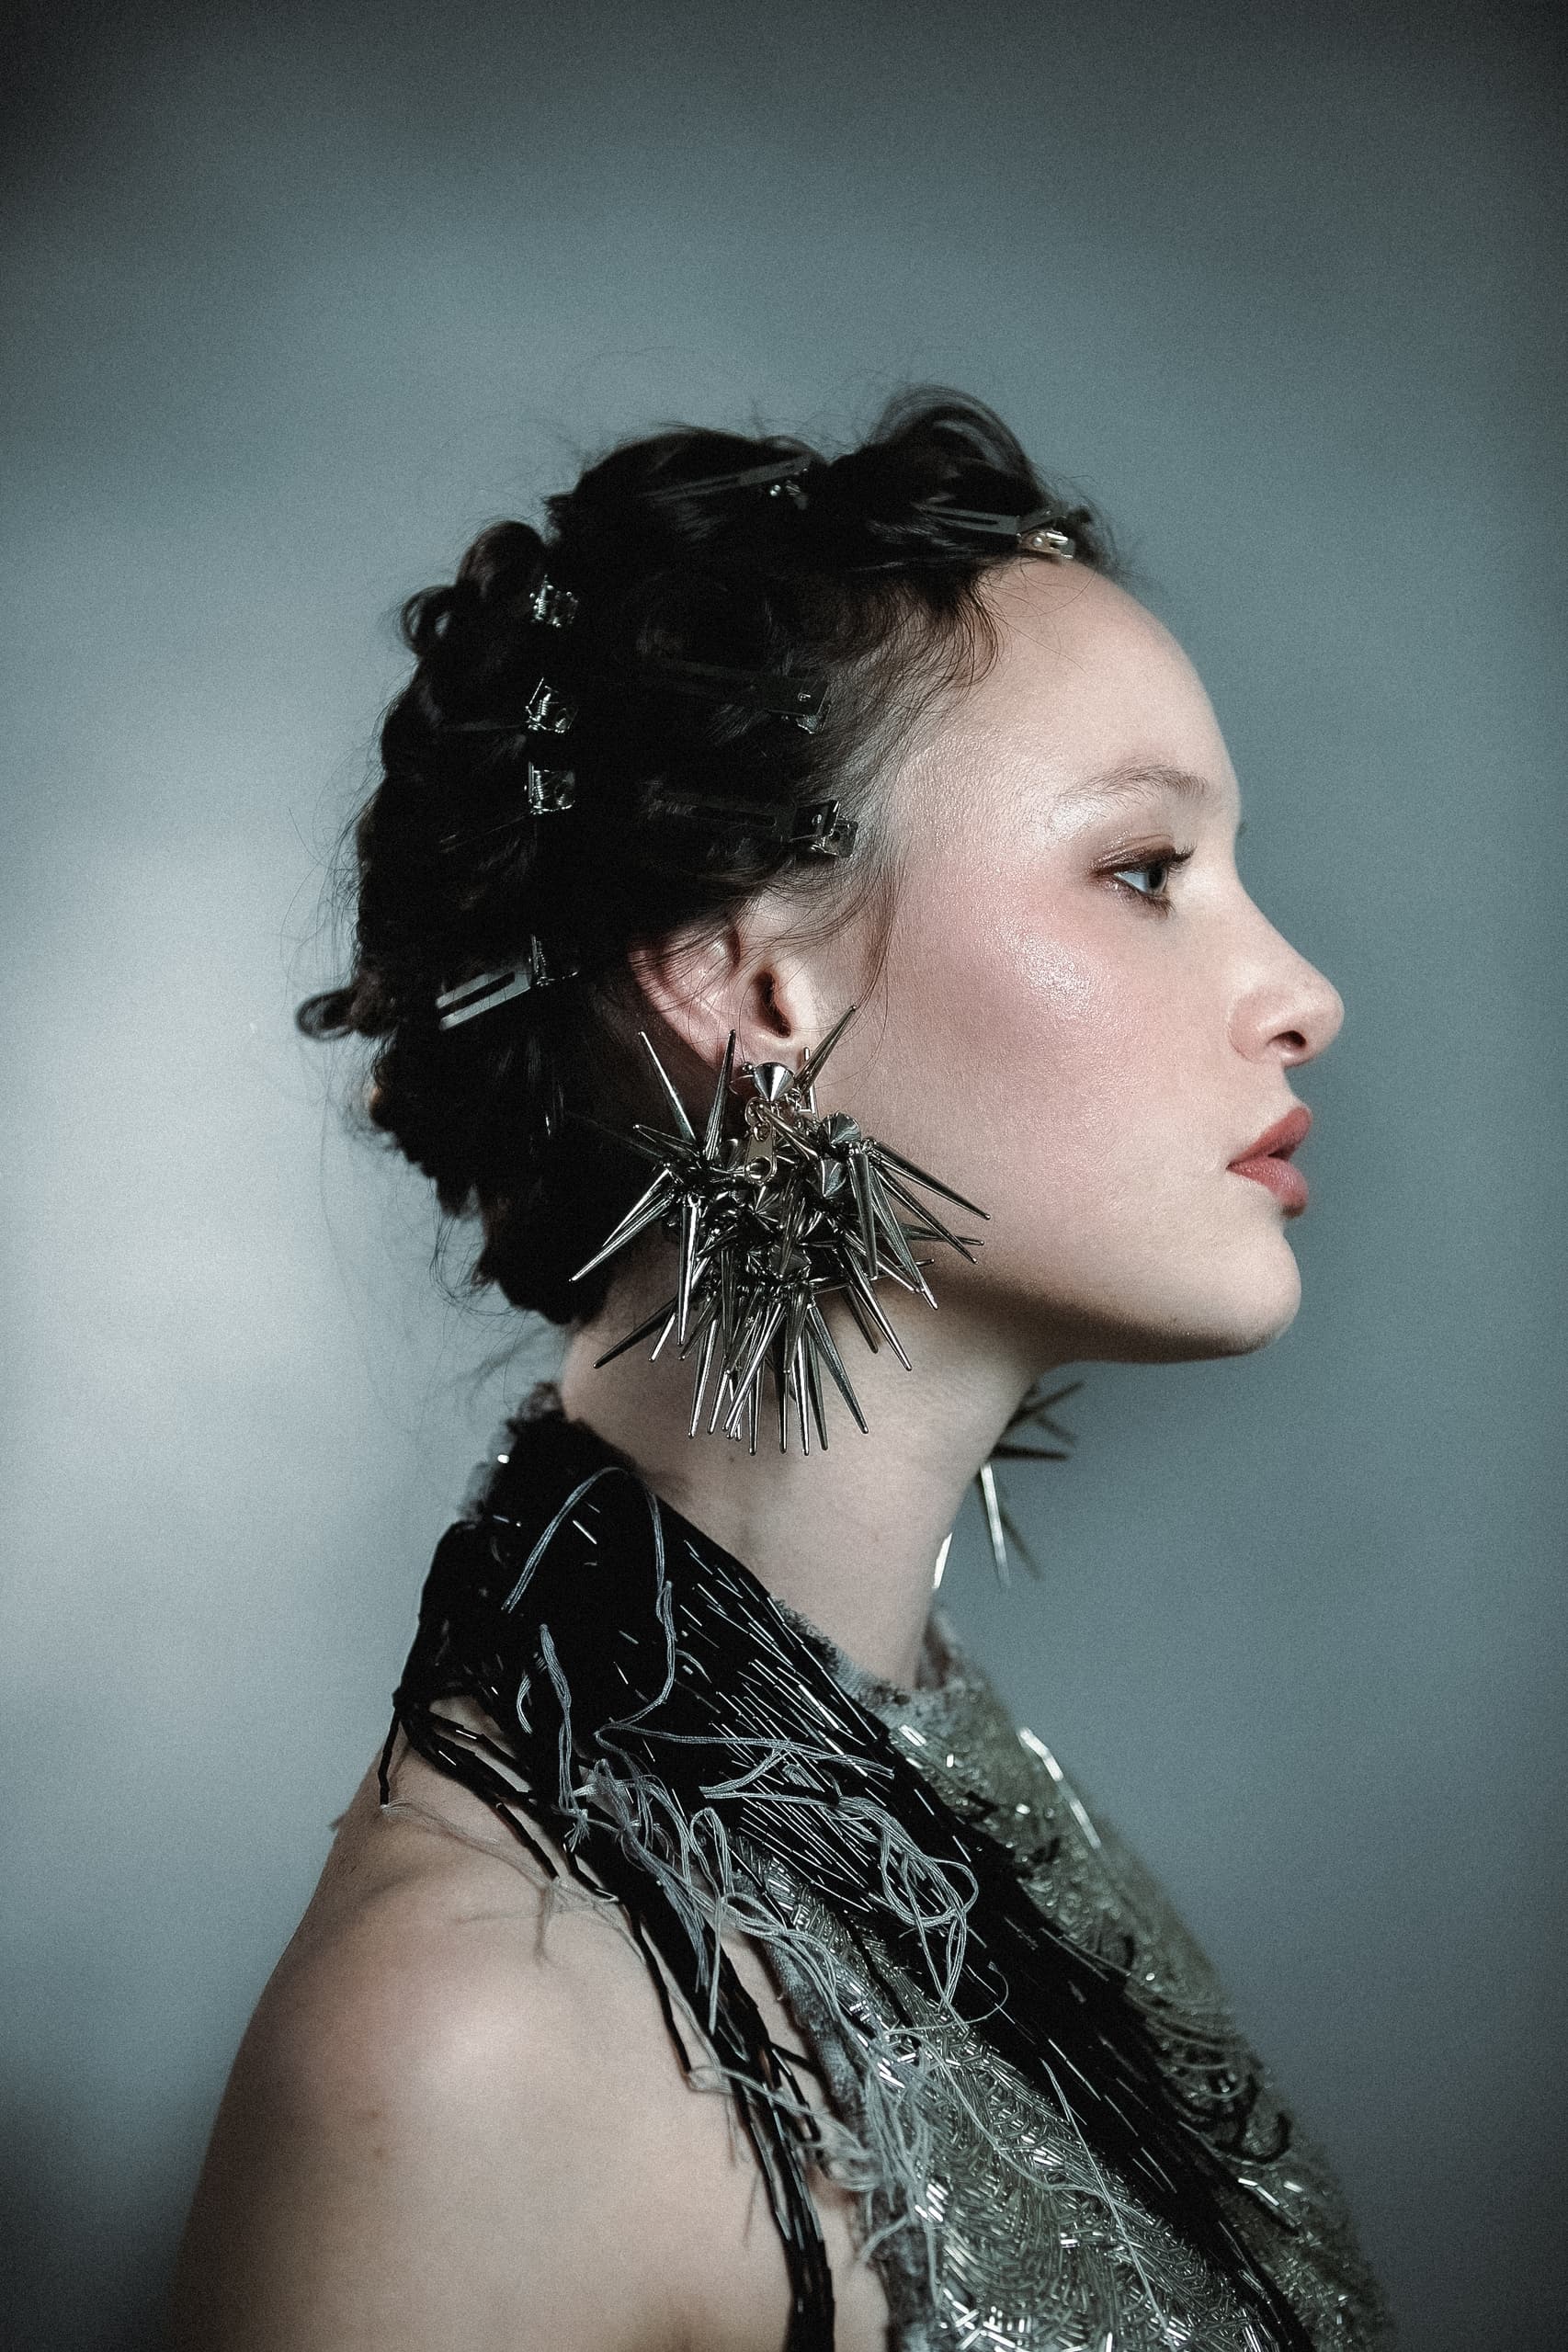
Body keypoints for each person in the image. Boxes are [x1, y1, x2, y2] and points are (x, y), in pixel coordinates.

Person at [168, 393, 1392, 2350]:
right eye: (1146, 868)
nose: (1300, 990)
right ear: (752, 984)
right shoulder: (473, 2046)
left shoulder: (959, 1797)